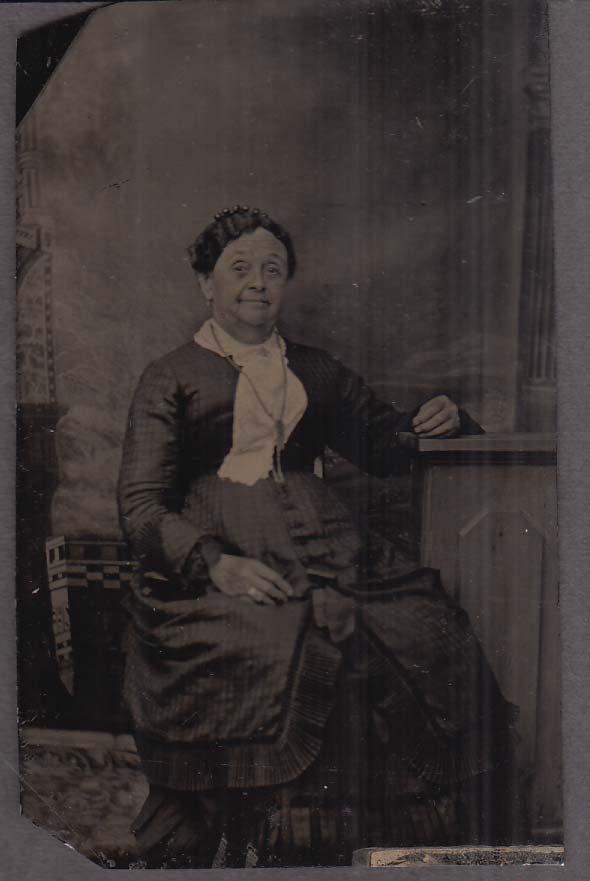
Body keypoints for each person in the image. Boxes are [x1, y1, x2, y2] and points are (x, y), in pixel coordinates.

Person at [118, 205, 520, 868]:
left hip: (337, 550)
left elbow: (389, 446)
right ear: (205, 284)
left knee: (421, 626)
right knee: (287, 632)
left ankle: (388, 844)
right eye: (239, 268)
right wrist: (214, 562)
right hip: (220, 566)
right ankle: (280, 841)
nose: (257, 282)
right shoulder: (171, 376)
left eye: (272, 269)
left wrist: (447, 419)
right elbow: (138, 504)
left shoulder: (317, 370)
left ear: (287, 283)